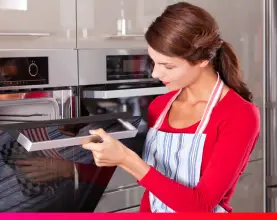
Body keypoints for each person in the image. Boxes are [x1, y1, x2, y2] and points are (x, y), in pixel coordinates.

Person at [82, 2, 260, 213]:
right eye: (153, 62)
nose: (155, 74)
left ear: (202, 60)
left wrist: (127, 160)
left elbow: (200, 206)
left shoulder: (239, 115)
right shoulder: (160, 106)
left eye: (168, 66)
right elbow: (154, 187)